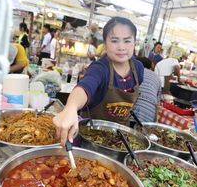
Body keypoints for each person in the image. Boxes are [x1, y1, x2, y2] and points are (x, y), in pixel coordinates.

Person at [53, 16, 144, 146]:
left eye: (127, 41)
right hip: (90, 137)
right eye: (114, 41)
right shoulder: (100, 68)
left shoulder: (138, 68)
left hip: (121, 139)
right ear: (105, 44)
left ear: (134, 43)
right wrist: (71, 108)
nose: (121, 47)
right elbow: (84, 87)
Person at [130, 57, 161, 123]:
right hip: (149, 112)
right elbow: (157, 104)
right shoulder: (157, 77)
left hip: (131, 109)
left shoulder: (133, 71)